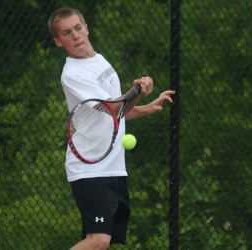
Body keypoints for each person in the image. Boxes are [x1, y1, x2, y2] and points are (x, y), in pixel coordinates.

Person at [48, 7, 175, 250]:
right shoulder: (73, 74)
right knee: (98, 241)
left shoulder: (100, 61)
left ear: (86, 29)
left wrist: (146, 107)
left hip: (113, 167)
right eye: (66, 33)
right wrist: (136, 89)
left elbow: (115, 114)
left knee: (101, 244)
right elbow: (112, 107)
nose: (75, 35)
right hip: (90, 168)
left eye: (77, 28)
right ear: (58, 41)